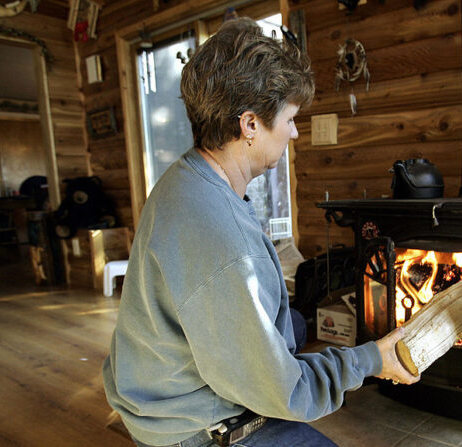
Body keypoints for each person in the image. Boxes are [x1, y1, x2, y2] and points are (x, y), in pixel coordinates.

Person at [102, 18, 418, 447]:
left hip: (153, 385)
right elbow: (285, 392)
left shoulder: (184, 176)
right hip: (190, 429)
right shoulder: (225, 240)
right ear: (249, 125)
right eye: (289, 118)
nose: (294, 130)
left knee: (296, 325)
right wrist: (370, 360)